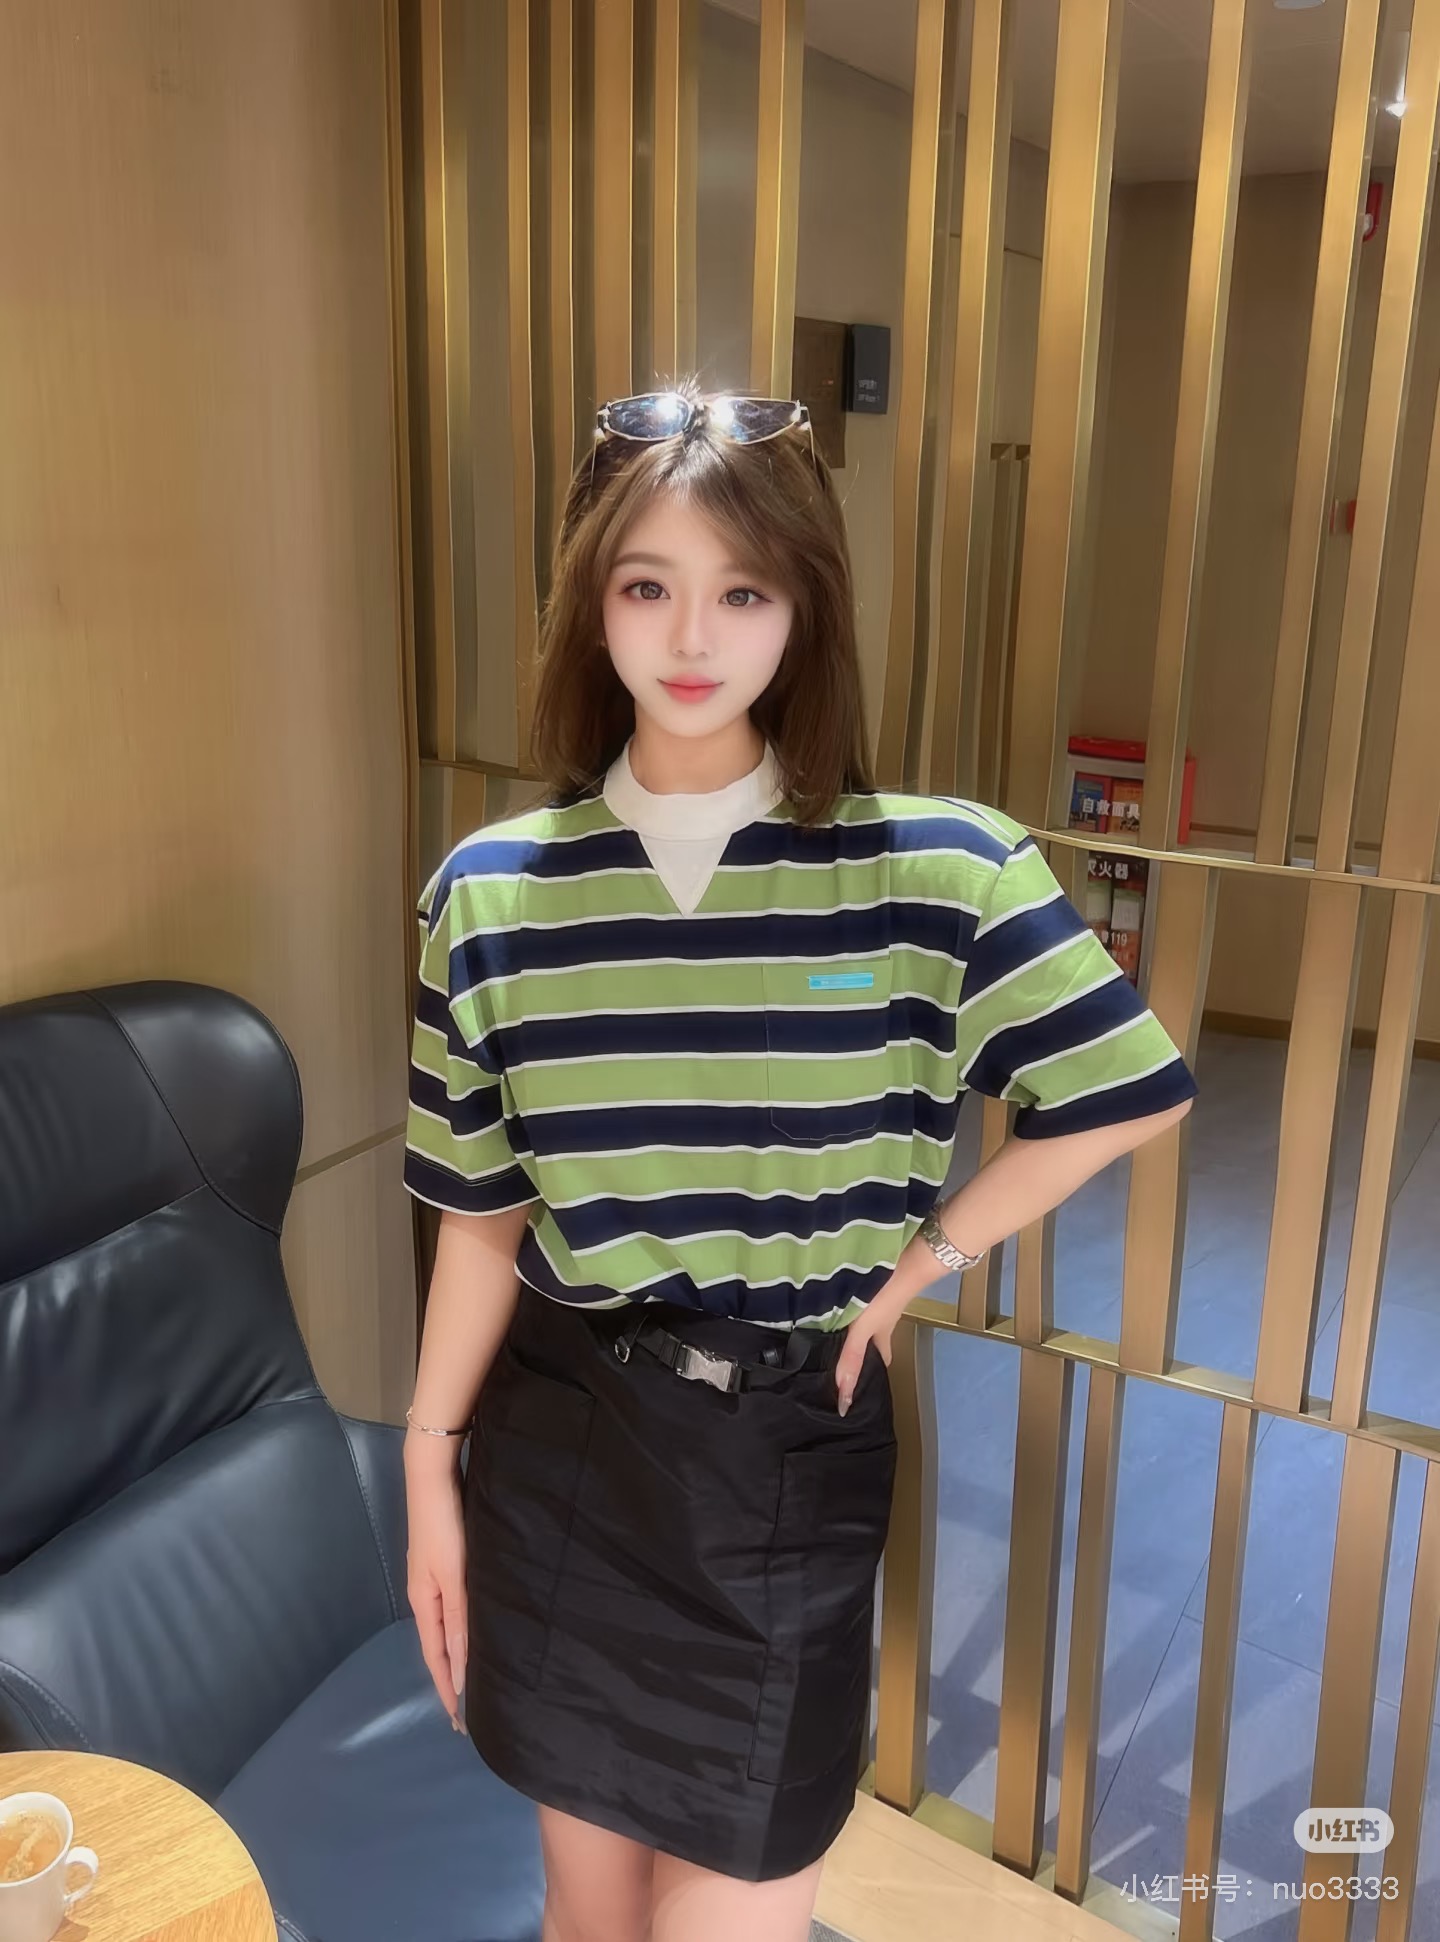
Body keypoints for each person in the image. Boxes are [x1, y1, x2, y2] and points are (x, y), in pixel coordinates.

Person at [401, 382, 1198, 1942]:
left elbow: (1125, 1090)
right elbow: (483, 1219)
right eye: (648, 586)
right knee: (585, 1909)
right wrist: (428, 1462)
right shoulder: (488, 897)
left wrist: (925, 1260)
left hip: (783, 1459)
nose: (693, 637)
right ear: (593, 604)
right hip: (564, 1447)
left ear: (805, 605)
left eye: (744, 591)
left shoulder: (939, 869)